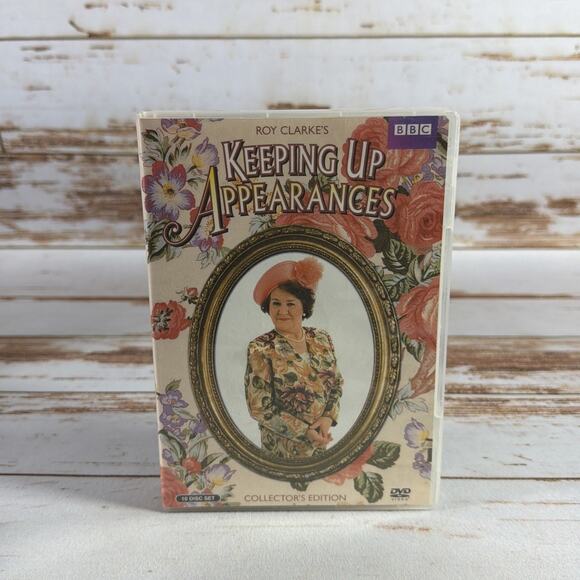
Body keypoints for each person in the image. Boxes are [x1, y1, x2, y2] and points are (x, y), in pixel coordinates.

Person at [245, 257, 343, 459]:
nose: (282, 311)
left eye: (290, 303)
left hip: (321, 444)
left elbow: (336, 383)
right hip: (281, 450)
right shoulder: (260, 348)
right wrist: (305, 431)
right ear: (268, 306)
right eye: (276, 303)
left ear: (304, 306)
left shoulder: (321, 338)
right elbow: (260, 408)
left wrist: (327, 418)